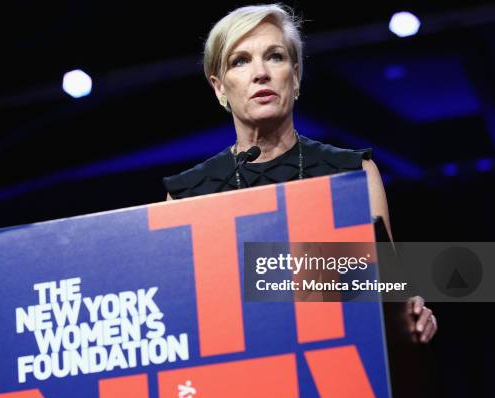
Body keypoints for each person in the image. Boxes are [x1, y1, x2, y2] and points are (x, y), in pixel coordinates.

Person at [163, 4, 437, 343]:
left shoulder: (353, 174)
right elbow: (181, 311)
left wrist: (409, 315)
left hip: (337, 363)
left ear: (294, 76)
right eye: (241, 61)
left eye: (275, 57)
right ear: (220, 88)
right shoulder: (188, 195)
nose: (260, 73)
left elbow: (385, 288)